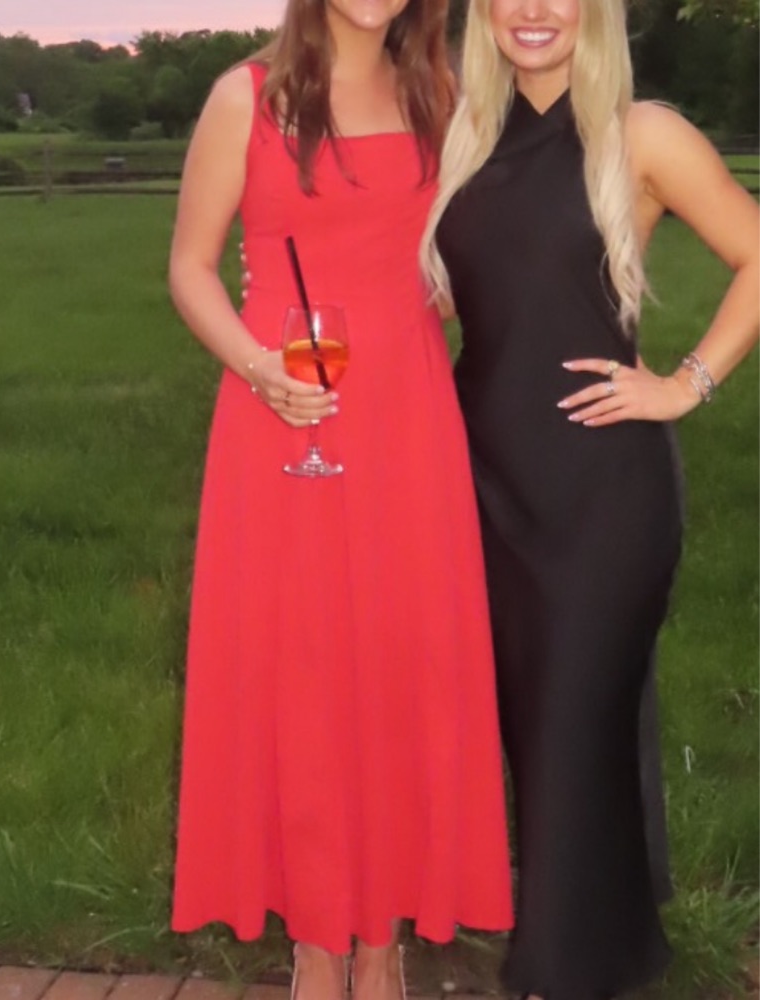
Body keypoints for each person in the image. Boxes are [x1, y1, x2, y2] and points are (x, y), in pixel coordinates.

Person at [169, 2, 514, 998]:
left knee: (403, 663)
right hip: (283, 412)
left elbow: (468, 251)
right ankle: (318, 939)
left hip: (407, 415)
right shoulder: (246, 98)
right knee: (302, 666)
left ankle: (381, 937)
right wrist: (257, 366)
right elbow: (189, 268)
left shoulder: (442, 94)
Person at [422, 0, 759, 998]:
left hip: (603, 488)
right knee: (540, 724)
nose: (533, 10)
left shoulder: (640, 133)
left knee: (570, 718)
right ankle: (616, 941)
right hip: (483, 481)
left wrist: (685, 383)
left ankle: (560, 970)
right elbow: (462, 297)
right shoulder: (463, 137)